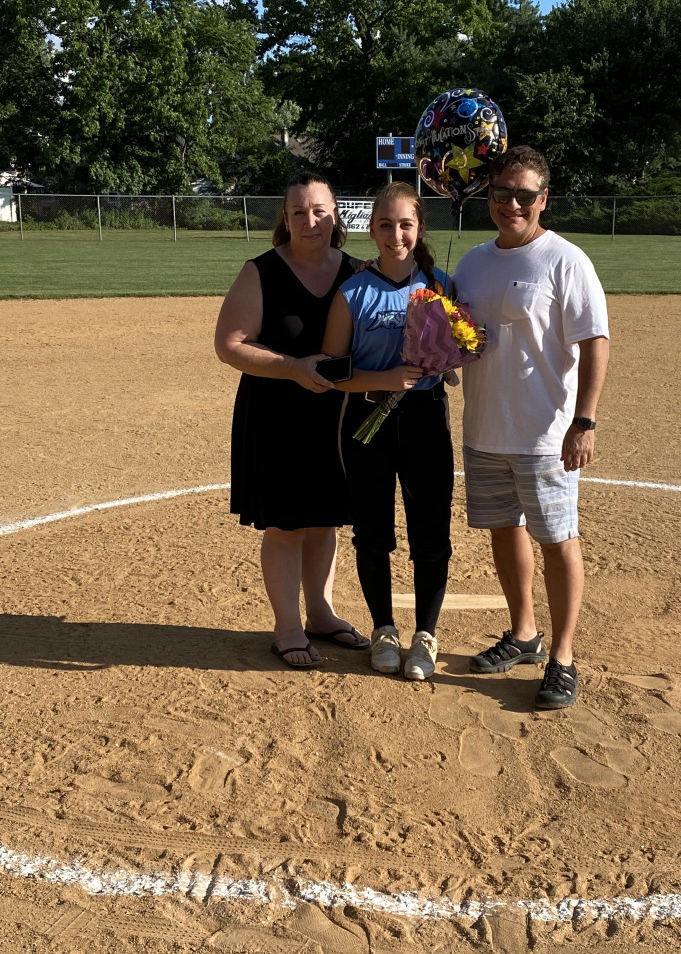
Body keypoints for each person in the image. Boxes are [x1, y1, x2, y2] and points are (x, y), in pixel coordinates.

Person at [453, 145, 610, 709]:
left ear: (543, 199)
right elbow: (456, 336)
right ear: (489, 195)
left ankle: (563, 657)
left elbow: (595, 342)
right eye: (502, 193)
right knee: (504, 532)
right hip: (484, 430)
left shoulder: (566, 260)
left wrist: (584, 421)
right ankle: (523, 634)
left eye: (524, 195)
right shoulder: (471, 263)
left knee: (558, 541)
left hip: (544, 433)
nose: (512, 204)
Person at [214, 171, 368, 669]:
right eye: (299, 212)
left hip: (336, 416)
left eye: (320, 210)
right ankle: (287, 626)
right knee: (285, 524)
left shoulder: (356, 271)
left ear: (336, 214)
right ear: (285, 218)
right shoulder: (260, 271)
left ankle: (321, 613)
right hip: (276, 414)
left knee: (324, 520)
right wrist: (292, 368)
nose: (310, 220)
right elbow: (230, 345)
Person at [322, 182, 454, 681]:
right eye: (385, 225)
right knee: (373, 530)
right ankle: (383, 629)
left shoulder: (440, 285)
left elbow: (457, 351)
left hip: (425, 419)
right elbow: (332, 371)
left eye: (405, 224)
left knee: (430, 532)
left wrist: (450, 357)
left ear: (419, 228)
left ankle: (425, 634)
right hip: (368, 419)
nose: (395, 235)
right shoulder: (353, 291)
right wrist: (381, 379)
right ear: (371, 229)